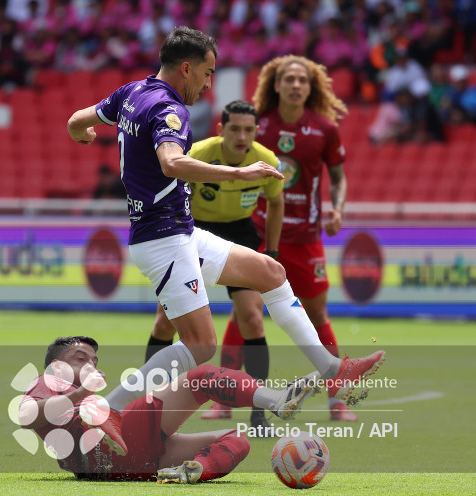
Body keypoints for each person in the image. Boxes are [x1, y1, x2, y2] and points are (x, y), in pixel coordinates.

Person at [67, 27, 385, 454]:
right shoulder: (169, 108)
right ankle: (108, 409)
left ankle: (331, 369)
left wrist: (83, 135)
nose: (208, 84)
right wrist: (239, 173)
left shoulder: (130, 92)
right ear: (186, 68)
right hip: (163, 238)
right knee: (200, 345)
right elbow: (172, 162)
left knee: (270, 272)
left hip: (177, 231)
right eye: (207, 73)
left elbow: (76, 121)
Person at [220, 55, 360, 422]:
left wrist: (338, 209)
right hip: (258, 232)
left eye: (302, 80)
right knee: (245, 311)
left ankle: (337, 400)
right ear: (276, 85)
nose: (296, 85)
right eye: (289, 79)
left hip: (306, 236)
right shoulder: (258, 125)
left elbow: (339, 178)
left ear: (311, 88)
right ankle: (224, 400)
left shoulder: (325, 129)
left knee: (316, 314)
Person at [144, 99, 285, 430]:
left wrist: (272, 251)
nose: (242, 136)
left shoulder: (267, 161)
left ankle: (259, 412)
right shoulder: (198, 153)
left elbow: (276, 203)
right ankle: (149, 406)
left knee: (253, 319)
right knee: (164, 322)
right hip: (194, 232)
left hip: (240, 233)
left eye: (248, 130)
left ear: (256, 131)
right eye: (235, 129)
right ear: (222, 129)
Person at [20, 336, 321, 482]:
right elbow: (27, 416)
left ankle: (192, 470)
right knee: (200, 377)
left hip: (125, 465)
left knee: (237, 439)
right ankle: (275, 400)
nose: (90, 364)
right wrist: (82, 393)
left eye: (94, 361)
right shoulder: (49, 381)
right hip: (104, 438)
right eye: (80, 358)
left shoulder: (79, 395)